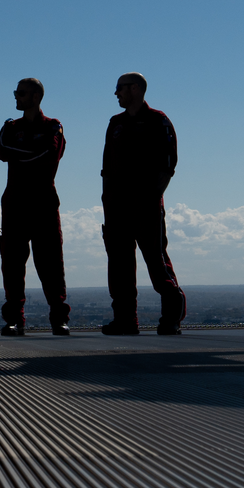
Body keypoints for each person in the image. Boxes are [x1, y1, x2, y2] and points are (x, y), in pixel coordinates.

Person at [100, 72, 187, 335]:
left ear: (135, 89)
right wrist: (108, 203)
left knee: (156, 262)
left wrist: (150, 199)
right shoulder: (115, 123)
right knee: (120, 266)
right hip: (116, 208)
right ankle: (126, 321)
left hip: (145, 207)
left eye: (120, 88)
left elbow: (167, 166)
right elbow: (106, 168)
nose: (116, 93)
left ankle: (171, 317)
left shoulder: (158, 121)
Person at [0, 78, 70, 336]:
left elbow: (49, 154)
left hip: (43, 204)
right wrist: (30, 152)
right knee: (13, 262)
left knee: (51, 262)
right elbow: (3, 150)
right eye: (16, 92)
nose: (16, 96)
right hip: (15, 204)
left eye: (22, 93)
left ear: (36, 96)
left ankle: (59, 318)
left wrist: (22, 153)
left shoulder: (53, 126)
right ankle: (14, 318)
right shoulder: (10, 127)